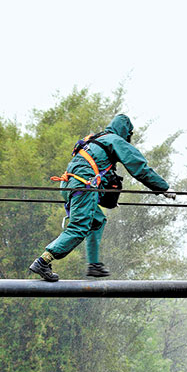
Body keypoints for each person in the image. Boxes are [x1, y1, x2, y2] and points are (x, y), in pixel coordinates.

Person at [28, 114, 174, 281]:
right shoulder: (114, 140)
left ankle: (94, 266)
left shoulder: (95, 141)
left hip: (70, 185)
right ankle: (43, 261)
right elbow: (138, 167)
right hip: (84, 185)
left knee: (97, 220)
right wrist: (163, 188)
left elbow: (104, 176)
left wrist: (107, 197)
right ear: (126, 131)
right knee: (79, 227)